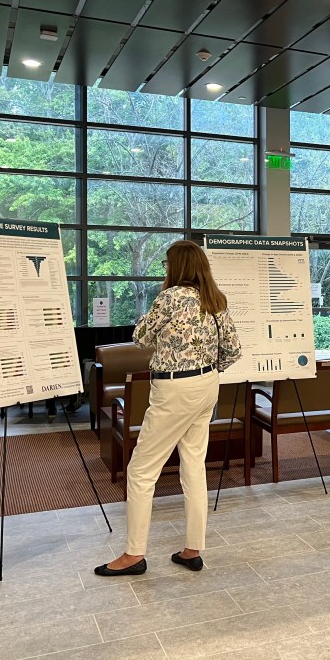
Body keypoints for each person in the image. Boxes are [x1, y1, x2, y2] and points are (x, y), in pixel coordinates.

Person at [95, 240, 241, 576]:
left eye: (166, 264)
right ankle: (192, 549)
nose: (165, 269)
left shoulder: (170, 297)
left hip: (174, 389)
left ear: (176, 267)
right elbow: (233, 351)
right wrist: (206, 368)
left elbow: (140, 338)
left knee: (141, 470)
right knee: (193, 465)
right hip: (208, 385)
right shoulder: (216, 300)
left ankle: (133, 554)